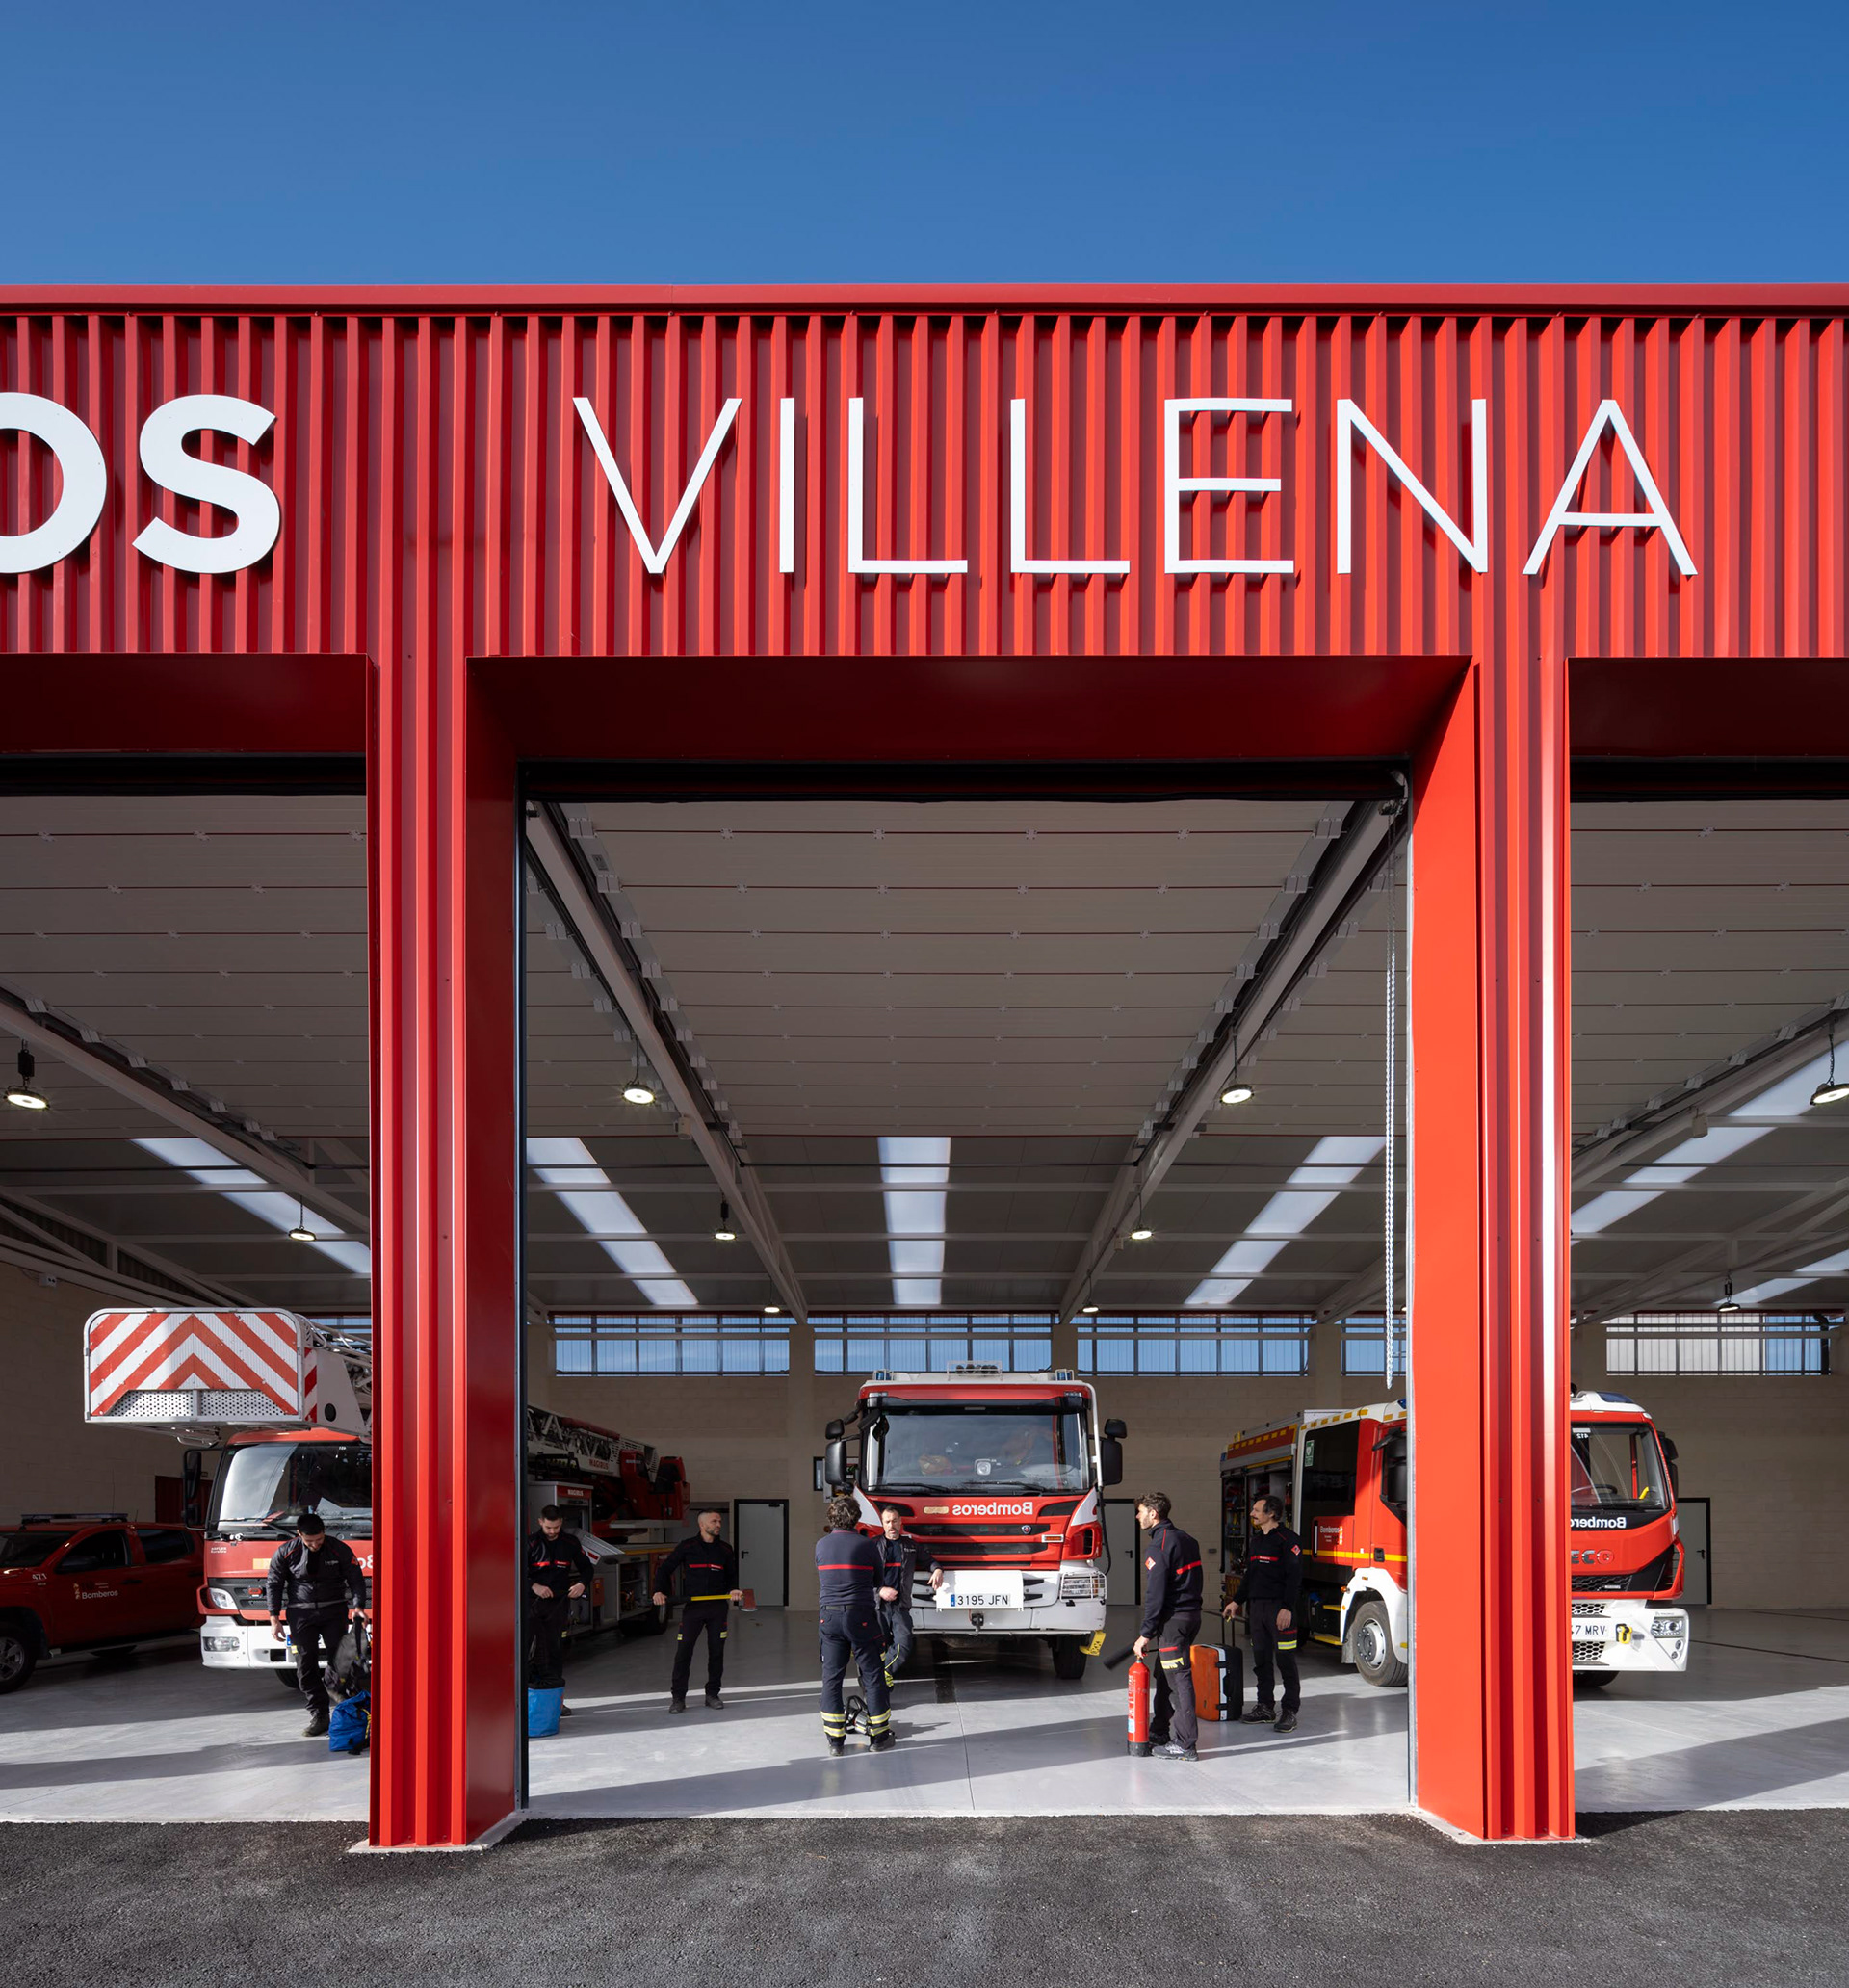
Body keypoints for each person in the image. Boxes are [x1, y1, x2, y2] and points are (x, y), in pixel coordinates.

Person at [266, 1511, 365, 1739]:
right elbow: (274, 1584)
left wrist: (358, 1607)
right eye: (309, 1541)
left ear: (324, 1533)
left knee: (340, 1661)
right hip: (300, 1614)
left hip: (334, 1611)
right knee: (305, 1664)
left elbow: (356, 1578)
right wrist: (274, 1618)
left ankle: (345, 1711)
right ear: (299, 1534)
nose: (315, 1545)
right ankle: (319, 1715)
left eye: (319, 1540)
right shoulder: (286, 1552)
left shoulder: (338, 1549)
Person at [816, 1497, 892, 1755]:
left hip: (829, 1617)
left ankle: (835, 1742)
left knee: (832, 1677)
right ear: (857, 1518)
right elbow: (878, 1581)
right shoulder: (867, 1545)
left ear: (831, 1518)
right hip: (860, 1616)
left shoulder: (821, 1545)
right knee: (872, 1675)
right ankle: (879, 1737)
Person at [1133, 1491, 1203, 1763]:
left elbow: (1155, 1594)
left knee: (1178, 1681)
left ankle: (1185, 1745)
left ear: (1153, 1513)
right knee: (1164, 1676)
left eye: (1141, 1511)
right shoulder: (1187, 1539)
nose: (1137, 1516)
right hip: (1189, 1617)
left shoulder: (1159, 1546)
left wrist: (1145, 1633)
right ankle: (1160, 1730)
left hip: (1173, 1623)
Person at [651, 1505, 742, 1713]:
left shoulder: (725, 1549)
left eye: (720, 1521)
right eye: (714, 1521)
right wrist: (659, 1591)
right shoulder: (687, 1546)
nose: (718, 1525)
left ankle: (712, 1695)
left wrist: (734, 1590)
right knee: (683, 1653)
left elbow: (732, 1576)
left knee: (716, 1652)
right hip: (694, 1608)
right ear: (702, 1525)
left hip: (717, 1609)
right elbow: (664, 1570)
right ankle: (678, 1698)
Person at [1224, 1492, 1302, 1733]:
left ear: (1272, 1513)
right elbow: (1250, 1576)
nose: (1252, 1514)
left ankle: (1289, 1711)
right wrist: (1236, 1601)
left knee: (1285, 1661)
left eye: (1257, 1510)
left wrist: (1287, 1607)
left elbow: (1295, 1577)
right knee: (1261, 1660)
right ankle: (1265, 1707)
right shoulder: (1257, 1541)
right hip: (1256, 1609)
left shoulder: (1289, 1540)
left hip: (1279, 1609)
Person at [526, 1504, 593, 1715]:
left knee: (554, 1650)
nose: (552, 1531)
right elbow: (515, 1571)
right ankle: (528, 1701)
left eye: (555, 1527)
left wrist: (582, 1584)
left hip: (557, 1605)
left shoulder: (570, 1543)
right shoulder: (530, 1543)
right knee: (529, 1651)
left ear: (561, 1522)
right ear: (540, 1522)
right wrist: (533, 1586)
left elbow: (587, 1568)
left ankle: (556, 1702)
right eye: (548, 1527)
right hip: (532, 1605)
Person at [875, 1504, 944, 1684]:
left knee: (904, 1644)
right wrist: (880, 1590)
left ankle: (883, 1674)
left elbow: (929, 1561)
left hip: (900, 1606)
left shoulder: (911, 1546)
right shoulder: (872, 1546)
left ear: (900, 1522)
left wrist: (937, 1569)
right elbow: (860, 1577)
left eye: (894, 1521)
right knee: (876, 1648)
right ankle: (877, 1684)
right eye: (887, 1522)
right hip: (877, 1607)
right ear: (882, 1523)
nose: (891, 1525)